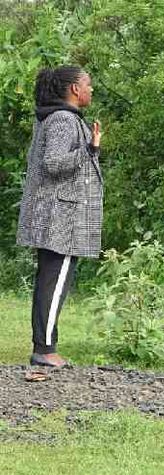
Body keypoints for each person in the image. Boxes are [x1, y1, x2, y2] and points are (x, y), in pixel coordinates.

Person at [17, 66, 104, 368]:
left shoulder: (56, 117)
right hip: (61, 220)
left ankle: (44, 346)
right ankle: (45, 350)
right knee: (54, 284)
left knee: (49, 283)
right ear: (74, 90)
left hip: (56, 215)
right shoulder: (64, 120)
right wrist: (91, 149)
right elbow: (54, 163)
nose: (92, 89)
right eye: (88, 84)